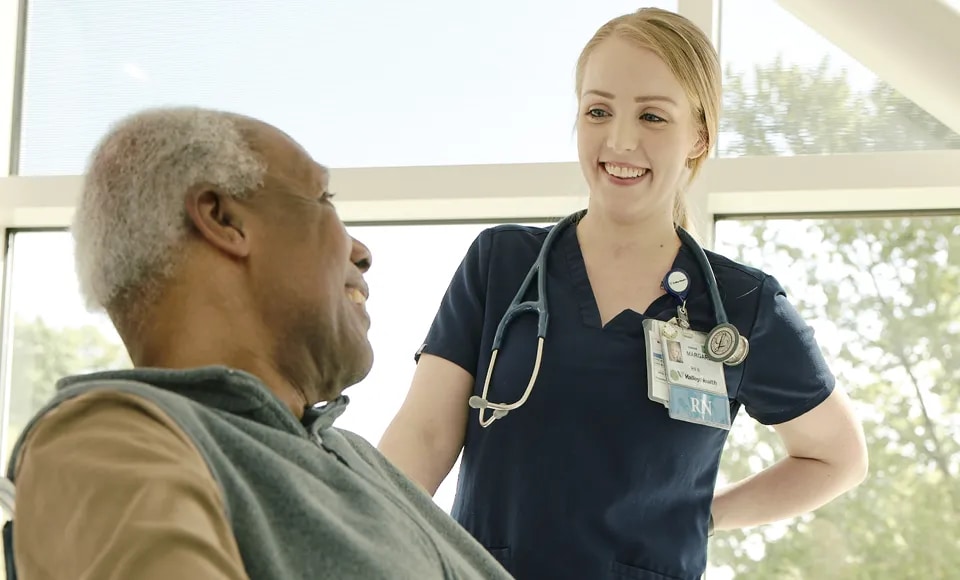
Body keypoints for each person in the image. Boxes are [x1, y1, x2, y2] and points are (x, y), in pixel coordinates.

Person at [378, 8, 868, 580]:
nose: (620, 140)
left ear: (699, 135)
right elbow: (425, 435)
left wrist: (702, 516)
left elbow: (837, 457)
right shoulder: (501, 265)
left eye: (653, 116)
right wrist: (357, 537)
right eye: (598, 111)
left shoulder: (742, 306)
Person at [4, 107, 513, 580]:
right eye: (322, 200)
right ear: (222, 219)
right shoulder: (107, 444)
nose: (361, 252)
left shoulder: (354, 457)